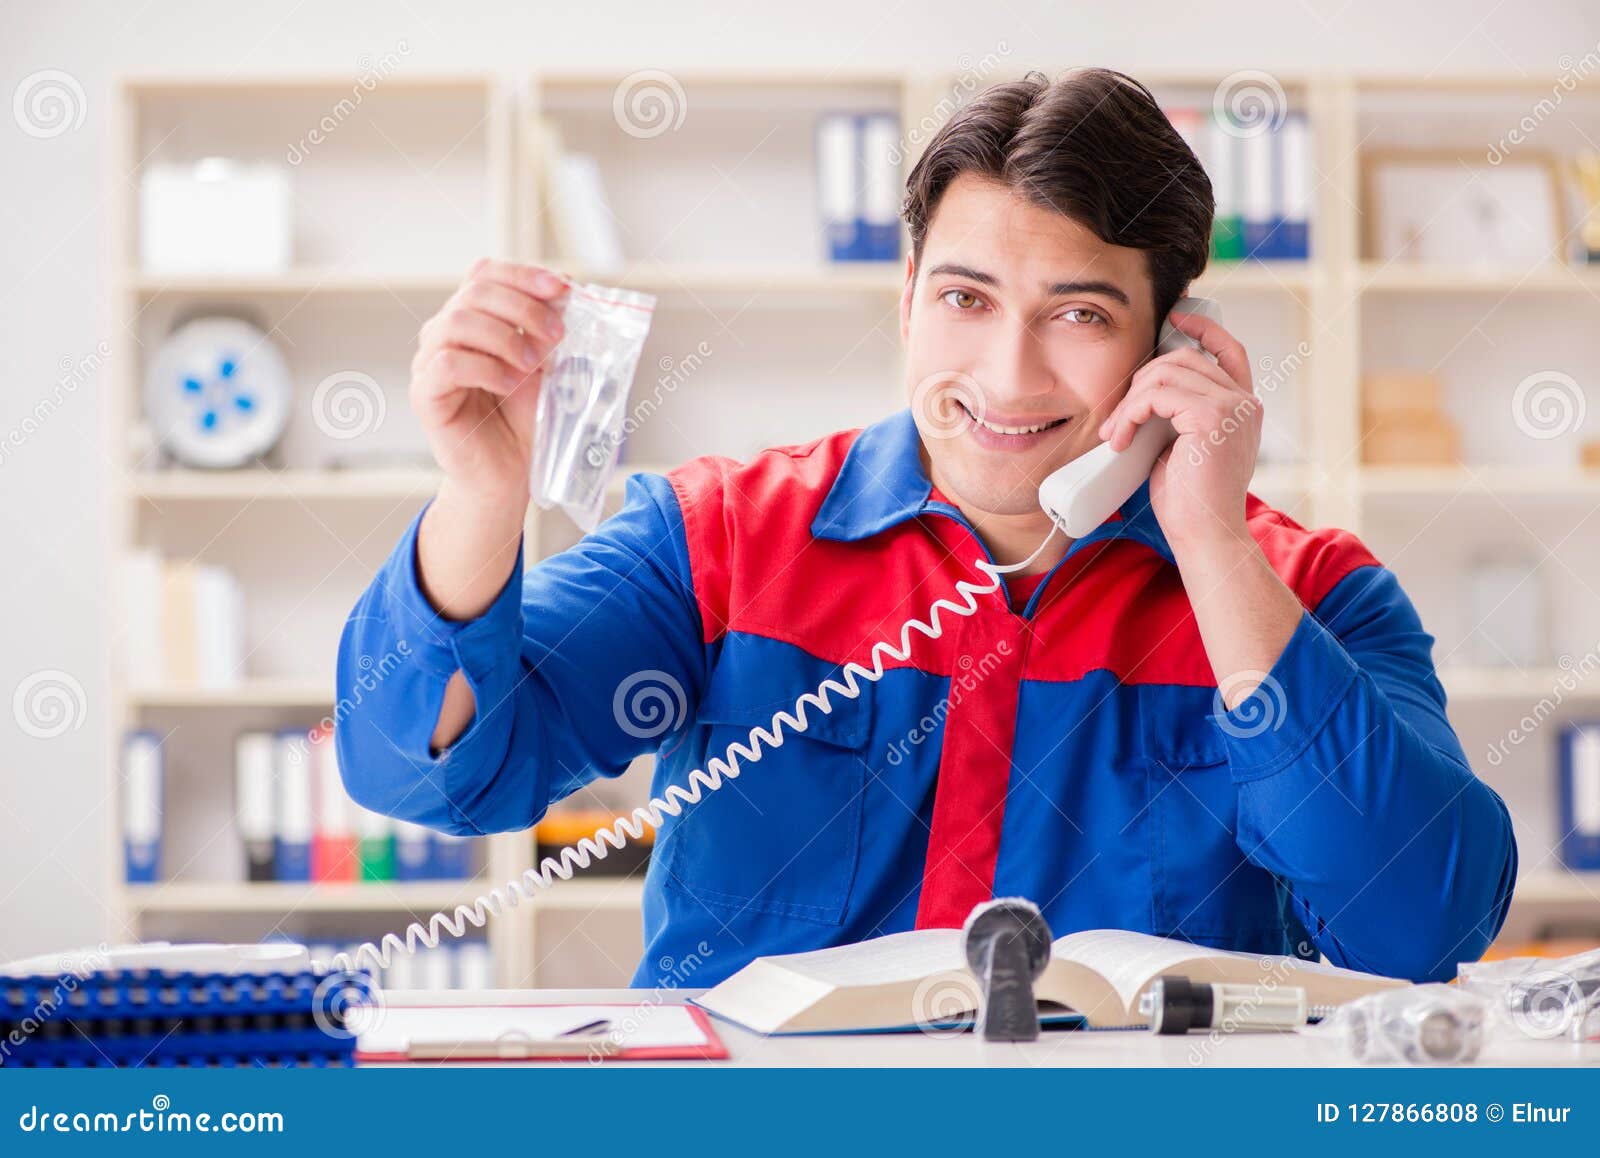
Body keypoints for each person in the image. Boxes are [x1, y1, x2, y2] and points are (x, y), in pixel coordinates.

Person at [335, 68, 1516, 987]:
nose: (1005, 375)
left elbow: (1417, 926)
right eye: (965, 299)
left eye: (1080, 315)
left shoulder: (1308, 594)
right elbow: (428, 775)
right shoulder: (720, 540)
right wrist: (483, 497)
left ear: (1173, 345)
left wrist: (1210, 546)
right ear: (905, 299)